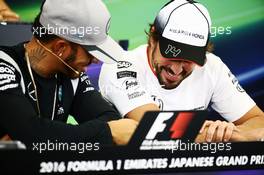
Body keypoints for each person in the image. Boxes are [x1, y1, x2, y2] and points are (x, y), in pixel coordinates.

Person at [99, 0, 264, 142]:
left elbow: (259, 121)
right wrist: (221, 136)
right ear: (152, 36)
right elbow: (157, 128)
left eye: (188, 59)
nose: (176, 69)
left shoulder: (212, 66)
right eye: (171, 54)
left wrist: (232, 133)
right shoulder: (119, 65)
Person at [0, 0, 138, 148]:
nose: (96, 60)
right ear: (61, 47)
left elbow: (112, 120)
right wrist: (105, 133)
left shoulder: (72, 74)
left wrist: (45, 135)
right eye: (91, 52)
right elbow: (30, 133)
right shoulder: (4, 66)